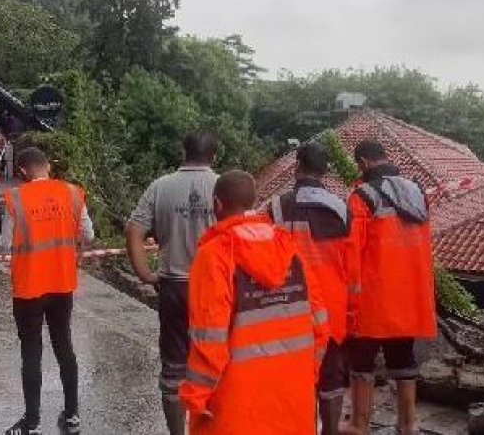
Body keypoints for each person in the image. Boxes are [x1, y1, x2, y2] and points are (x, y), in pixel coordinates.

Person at [179, 170, 330, 434]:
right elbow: (319, 323)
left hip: (236, 404)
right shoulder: (289, 250)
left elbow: (209, 339)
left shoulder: (214, 255)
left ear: (217, 204)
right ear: (252, 202)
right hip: (292, 397)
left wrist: (195, 396)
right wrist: (308, 373)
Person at [124, 130, 219, 435]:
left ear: (183, 153)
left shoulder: (161, 186)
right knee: (218, 363)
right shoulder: (223, 186)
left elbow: (133, 230)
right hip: (216, 288)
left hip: (174, 286)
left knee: (174, 367)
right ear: (213, 156)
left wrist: (145, 274)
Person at [344, 141, 436, 435]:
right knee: (403, 358)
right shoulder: (417, 192)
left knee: (362, 361)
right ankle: (408, 424)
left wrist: (350, 295)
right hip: (410, 293)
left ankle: (359, 424)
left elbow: (352, 249)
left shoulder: (362, 195)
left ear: (362, 162)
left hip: (374, 295)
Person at [1, 147, 94, 435]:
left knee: (31, 351)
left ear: (23, 171)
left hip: (29, 287)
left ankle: (31, 421)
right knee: (64, 344)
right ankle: (72, 414)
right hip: (62, 283)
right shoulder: (73, 193)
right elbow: (88, 235)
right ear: (48, 165)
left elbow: (5, 243)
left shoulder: (15, 198)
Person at [269, 142, 351, 435]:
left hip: (290, 308)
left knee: (294, 378)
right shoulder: (343, 208)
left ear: (296, 167)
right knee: (331, 379)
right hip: (331, 309)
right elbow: (351, 261)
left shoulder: (277, 207)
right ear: (326, 171)